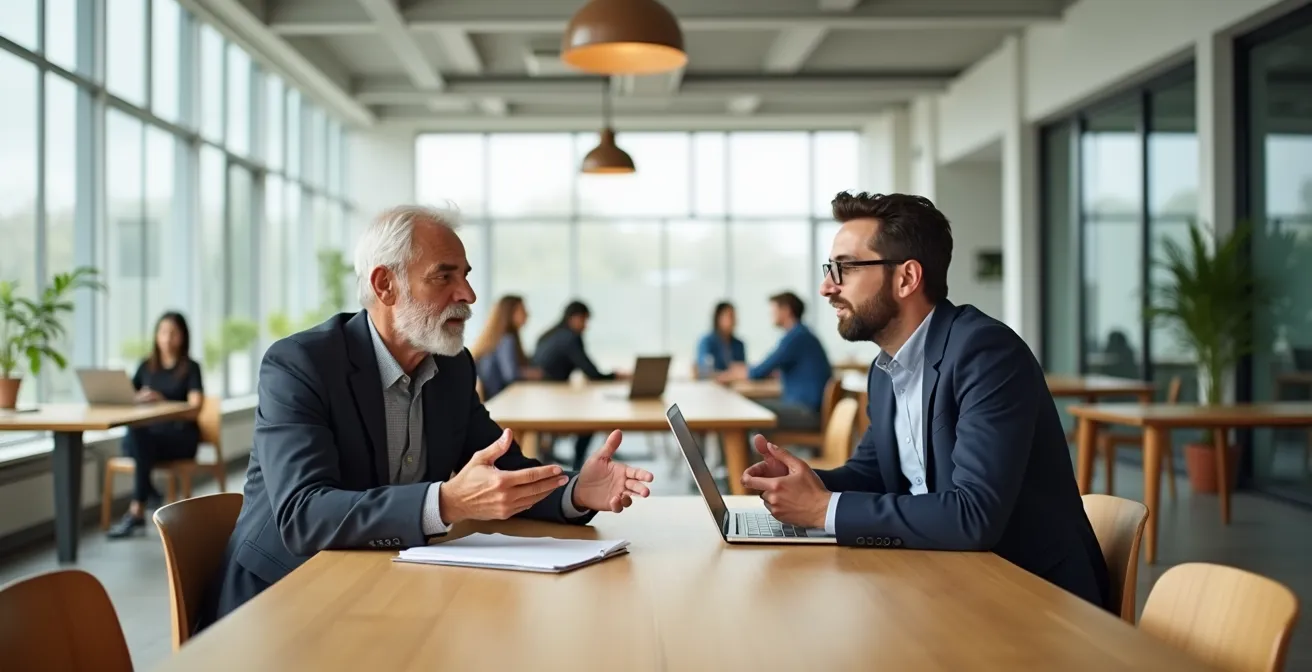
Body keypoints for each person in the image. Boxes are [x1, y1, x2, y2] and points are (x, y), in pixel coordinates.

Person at [197, 205, 654, 629]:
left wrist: (577, 491)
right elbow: (304, 515)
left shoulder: (453, 367)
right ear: (384, 285)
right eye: (444, 277)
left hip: (388, 590)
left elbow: (502, 471)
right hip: (282, 603)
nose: (469, 295)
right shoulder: (301, 364)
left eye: (467, 276)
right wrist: (448, 502)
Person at [741, 191, 1110, 609]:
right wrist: (804, 483)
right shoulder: (886, 370)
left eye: (843, 268)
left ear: (906, 278)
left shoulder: (984, 353)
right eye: (830, 269)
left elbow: (974, 516)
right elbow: (873, 473)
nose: (827, 287)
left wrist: (822, 509)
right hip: (948, 580)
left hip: (1035, 597)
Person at [107, 311, 204, 539]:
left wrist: (163, 401)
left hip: (180, 436)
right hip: (150, 438)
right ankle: (147, 494)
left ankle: (138, 508)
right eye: (162, 332)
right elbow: (127, 396)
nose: (167, 338)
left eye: (173, 333)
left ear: (183, 337)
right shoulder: (146, 366)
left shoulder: (190, 368)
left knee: (136, 442)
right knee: (135, 436)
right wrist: (139, 398)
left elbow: (195, 408)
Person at [718, 292, 832, 431]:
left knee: (743, 409)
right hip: (807, 408)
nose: (770, 315)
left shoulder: (796, 337)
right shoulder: (802, 334)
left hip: (806, 412)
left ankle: (742, 453)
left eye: (773, 310)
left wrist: (732, 374)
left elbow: (759, 371)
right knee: (747, 407)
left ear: (786, 311)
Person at [532, 300, 622, 470]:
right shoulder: (570, 338)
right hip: (550, 400)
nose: (586, 326)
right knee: (589, 420)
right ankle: (578, 464)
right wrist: (615, 375)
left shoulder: (551, 334)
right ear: (574, 318)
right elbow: (592, 373)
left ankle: (574, 462)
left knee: (587, 412)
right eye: (584, 320)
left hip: (541, 396)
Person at [469, 294, 541, 399]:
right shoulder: (507, 339)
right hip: (500, 399)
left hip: (493, 400)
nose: (527, 314)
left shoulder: (497, 338)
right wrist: (532, 374)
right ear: (509, 314)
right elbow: (510, 375)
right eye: (522, 310)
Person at [694, 301, 746, 378]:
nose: (734, 321)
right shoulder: (707, 342)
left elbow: (743, 370)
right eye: (730, 316)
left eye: (735, 317)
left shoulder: (739, 344)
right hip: (711, 385)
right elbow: (704, 370)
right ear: (719, 318)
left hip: (735, 385)